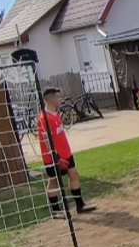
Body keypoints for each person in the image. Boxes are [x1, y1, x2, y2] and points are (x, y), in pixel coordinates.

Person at [37, 88, 95, 218]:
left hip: (66, 153)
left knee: (74, 174)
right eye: (58, 97)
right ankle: (56, 210)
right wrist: (56, 157)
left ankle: (80, 205)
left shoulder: (56, 114)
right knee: (54, 181)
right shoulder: (43, 118)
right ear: (50, 99)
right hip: (53, 158)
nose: (61, 100)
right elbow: (46, 140)